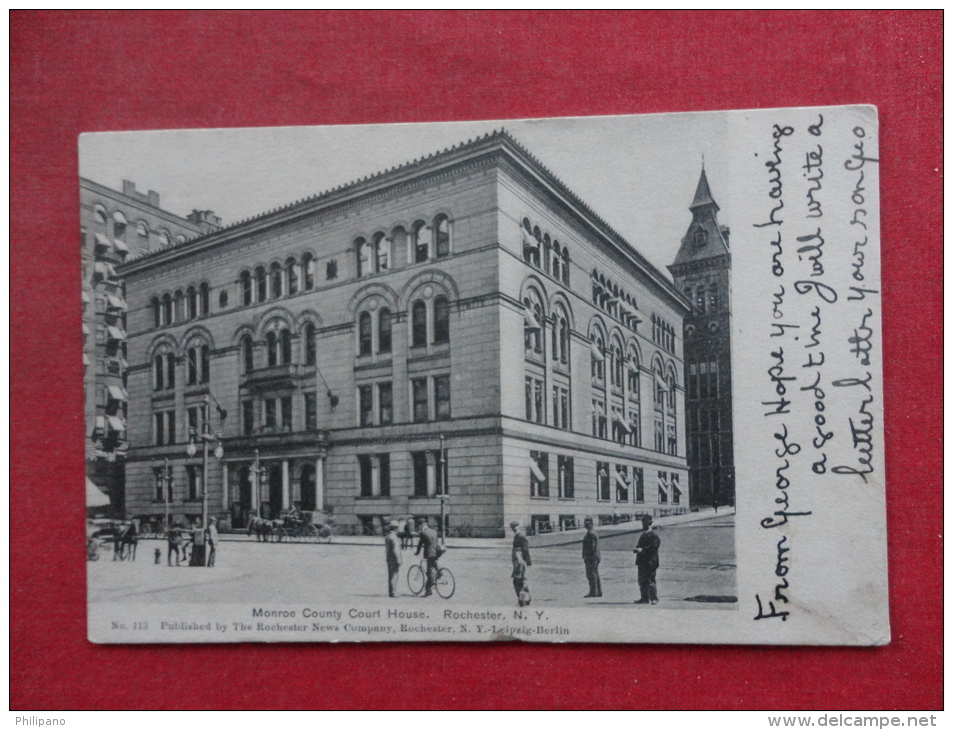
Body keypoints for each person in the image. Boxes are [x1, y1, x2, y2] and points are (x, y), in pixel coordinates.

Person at [633, 515, 661, 604]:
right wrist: (637, 548)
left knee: (650, 580)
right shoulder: (644, 534)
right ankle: (644, 598)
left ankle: (654, 598)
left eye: (644, 523)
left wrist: (642, 549)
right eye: (642, 523)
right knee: (642, 580)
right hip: (642, 561)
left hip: (650, 562)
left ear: (649, 524)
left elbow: (654, 547)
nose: (643, 525)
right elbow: (640, 545)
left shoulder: (653, 535)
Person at [415, 518, 439, 597]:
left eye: (420, 526)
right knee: (434, 563)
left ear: (422, 525)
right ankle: (440, 573)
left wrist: (417, 552)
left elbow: (420, 544)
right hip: (436, 552)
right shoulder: (434, 531)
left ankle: (428, 590)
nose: (419, 528)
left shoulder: (423, 533)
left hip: (429, 554)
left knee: (429, 572)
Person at [510, 521, 532, 604]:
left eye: (515, 526)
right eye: (512, 527)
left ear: (518, 526)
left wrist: (527, 561)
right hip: (517, 560)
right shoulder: (517, 535)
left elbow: (525, 549)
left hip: (519, 560)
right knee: (519, 580)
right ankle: (525, 599)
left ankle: (523, 600)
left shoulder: (520, 536)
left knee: (519, 580)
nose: (514, 529)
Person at [582, 517, 602, 597]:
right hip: (595, 556)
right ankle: (598, 591)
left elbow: (592, 547)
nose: (585, 525)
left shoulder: (591, 533)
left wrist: (587, 557)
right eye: (585, 523)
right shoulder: (594, 532)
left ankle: (593, 592)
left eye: (587, 523)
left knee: (591, 574)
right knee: (595, 573)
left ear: (591, 524)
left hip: (591, 556)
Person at [384, 523, 402, 597]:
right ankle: (393, 592)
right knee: (395, 575)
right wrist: (399, 559)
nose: (398, 530)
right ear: (395, 529)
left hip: (389, 557)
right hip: (394, 558)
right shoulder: (394, 537)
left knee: (390, 575)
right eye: (398, 528)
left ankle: (391, 591)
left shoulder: (387, 536)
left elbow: (387, 549)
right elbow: (396, 550)